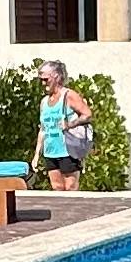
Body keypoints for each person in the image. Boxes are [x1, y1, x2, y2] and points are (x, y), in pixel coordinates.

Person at [35, 62, 88, 193]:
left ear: (57, 77)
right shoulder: (44, 102)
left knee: (70, 188)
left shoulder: (69, 95)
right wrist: (37, 154)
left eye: (46, 80)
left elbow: (87, 114)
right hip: (50, 151)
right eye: (41, 80)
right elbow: (43, 129)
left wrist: (69, 124)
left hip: (68, 150)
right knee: (57, 188)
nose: (43, 83)